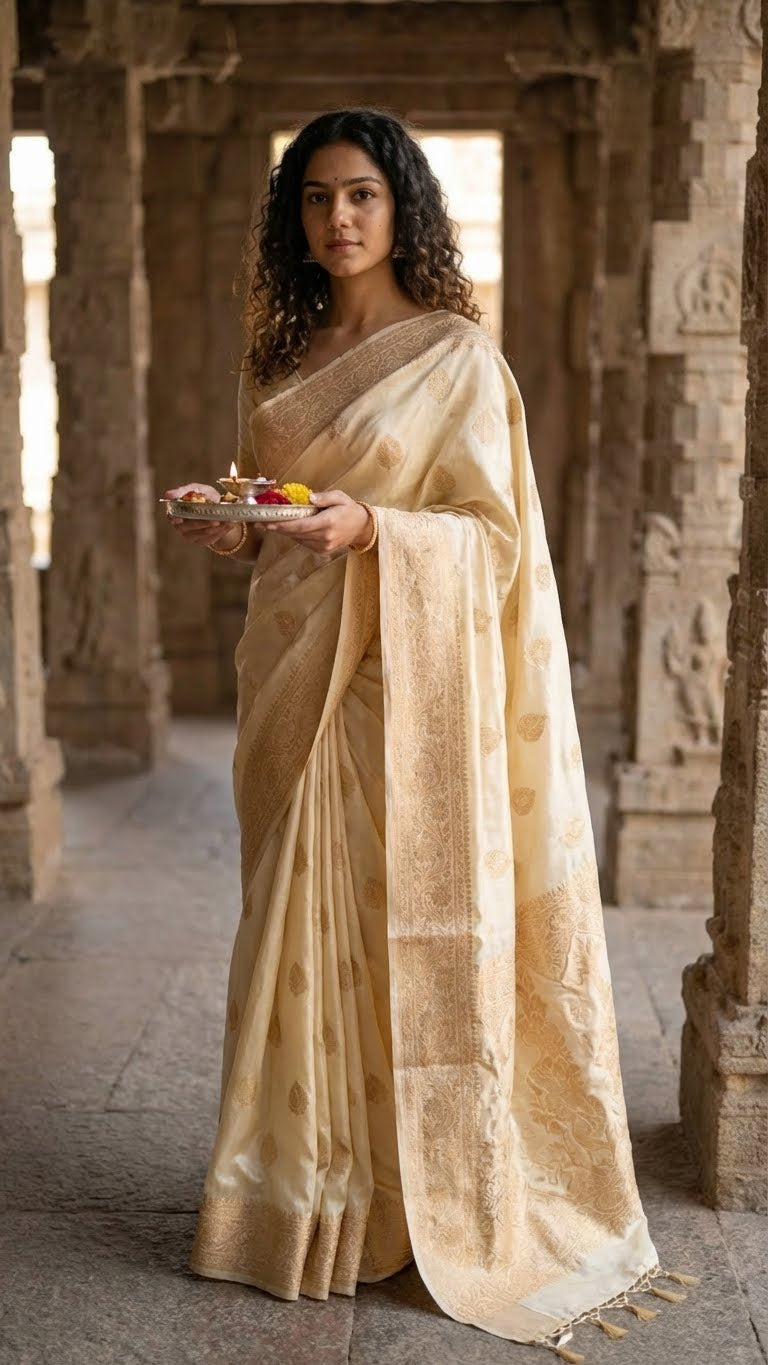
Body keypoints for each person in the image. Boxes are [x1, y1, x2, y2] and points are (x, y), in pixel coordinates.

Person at [165, 109, 694, 1357]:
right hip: (294, 677)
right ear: (293, 217)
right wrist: (232, 521)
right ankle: (302, 1206)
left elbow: (499, 542)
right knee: (292, 935)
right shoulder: (279, 349)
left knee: (399, 935)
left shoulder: (457, 356)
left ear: (403, 207)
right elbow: (266, 494)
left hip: (403, 691)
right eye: (314, 200)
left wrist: (380, 534)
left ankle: (412, 1203)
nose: (338, 221)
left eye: (361, 196)